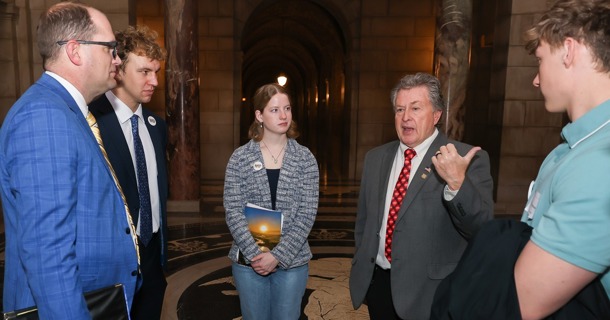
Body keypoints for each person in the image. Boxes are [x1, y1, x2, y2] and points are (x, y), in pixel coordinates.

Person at [0, 2, 139, 318]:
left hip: (98, 298)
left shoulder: (69, 111)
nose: (117, 59)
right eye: (110, 48)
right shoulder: (43, 117)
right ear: (76, 51)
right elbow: (48, 254)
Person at [349, 72, 494, 319]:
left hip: (431, 293)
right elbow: (364, 223)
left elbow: (481, 227)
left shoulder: (466, 158)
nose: (405, 117)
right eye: (399, 109)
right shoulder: (375, 158)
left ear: (436, 115)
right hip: (379, 286)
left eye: (416, 108)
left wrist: (457, 183)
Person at [515, 0, 610, 318]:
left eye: (540, 60)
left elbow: (524, 302)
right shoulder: (567, 151)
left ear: (568, 51)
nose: (536, 80)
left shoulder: (600, 161)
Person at [89, 25, 168, 320]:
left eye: (157, 72)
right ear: (119, 68)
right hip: (112, 266)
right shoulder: (91, 122)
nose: (155, 81)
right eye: (145, 71)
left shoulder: (156, 126)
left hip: (152, 263)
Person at [223, 83, 319, 320]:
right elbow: (233, 210)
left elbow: (307, 213)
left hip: (292, 261)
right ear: (259, 115)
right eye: (275, 110)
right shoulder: (240, 158)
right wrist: (256, 254)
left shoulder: (304, 158)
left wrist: (277, 255)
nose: (284, 115)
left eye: (287, 108)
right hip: (249, 261)